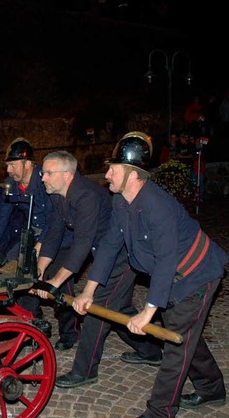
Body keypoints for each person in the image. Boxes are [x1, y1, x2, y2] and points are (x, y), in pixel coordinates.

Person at [72, 131, 228, 418]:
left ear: (133, 175)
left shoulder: (158, 205)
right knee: (184, 334)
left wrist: (148, 311)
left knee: (175, 343)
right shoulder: (121, 201)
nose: (106, 174)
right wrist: (88, 291)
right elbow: (108, 246)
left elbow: (167, 259)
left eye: (113, 169)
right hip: (171, 276)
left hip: (196, 274)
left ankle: (160, 411)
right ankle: (212, 388)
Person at [34, 150, 161, 376]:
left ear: (67, 175)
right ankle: (150, 351)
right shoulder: (56, 195)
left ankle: (84, 371)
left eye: (48, 173)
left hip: (121, 255)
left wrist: (56, 281)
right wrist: (41, 268)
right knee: (117, 307)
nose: (42, 177)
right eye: (43, 172)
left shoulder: (86, 196)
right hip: (102, 251)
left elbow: (82, 242)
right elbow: (54, 233)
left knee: (96, 309)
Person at [0, 137, 54, 321]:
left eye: (13, 165)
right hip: (31, 233)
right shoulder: (12, 183)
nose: (8, 170)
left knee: (60, 284)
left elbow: (54, 218)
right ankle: (28, 315)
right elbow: (1, 217)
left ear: (27, 164)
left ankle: (69, 333)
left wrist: (40, 246)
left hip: (55, 233)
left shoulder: (45, 179)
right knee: (10, 265)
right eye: (7, 165)